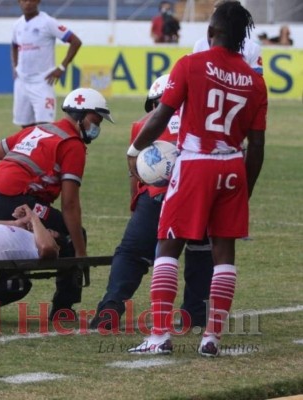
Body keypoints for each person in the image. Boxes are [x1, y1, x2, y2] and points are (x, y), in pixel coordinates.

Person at [127, 1, 267, 357]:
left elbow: (160, 118)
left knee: (168, 245)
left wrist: (135, 150)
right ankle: (211, 339)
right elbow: (258, 146)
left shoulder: (190, 64)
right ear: (241, 41)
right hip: (233, 166)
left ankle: (159, 336)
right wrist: (243, 189)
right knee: (224, 254)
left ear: (209, 34)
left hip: (195, 162)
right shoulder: (255, 81)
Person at [0, 87, 114, 320]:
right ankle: (63, 310)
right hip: (13, 201)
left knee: (17, 280)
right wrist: (80, 254)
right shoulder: (72, 144)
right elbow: (70, 205)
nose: (97, 128)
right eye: (96, 120)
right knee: (73, 236)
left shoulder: (38, 130)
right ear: (80, 115)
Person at [90, 75, 214, 331]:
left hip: (155, 195)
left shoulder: (141, 125)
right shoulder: (207, 119)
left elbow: (135, 173)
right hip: (198, 193)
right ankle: (196, 314)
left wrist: (136, 204)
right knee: (200, 252)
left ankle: (111, 305)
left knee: (132, 253)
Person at [11, 0, 82, 128]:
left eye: (30, 0)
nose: (27, 3)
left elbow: (76, 42)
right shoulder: (17, 24)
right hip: (22, 82)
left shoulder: (48, 22)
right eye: (23, 0)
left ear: (38, 1)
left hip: (42, 81)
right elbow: (14, 45)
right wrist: (15, 67)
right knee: (26, 127)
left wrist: (62, 67)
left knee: (45, 127)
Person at [193, 0, 263, 75]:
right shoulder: (201, 45)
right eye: (214, 17)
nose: (215, 21)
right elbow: (195, 75)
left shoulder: (252, 48)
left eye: (219, 18)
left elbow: (256, 79)